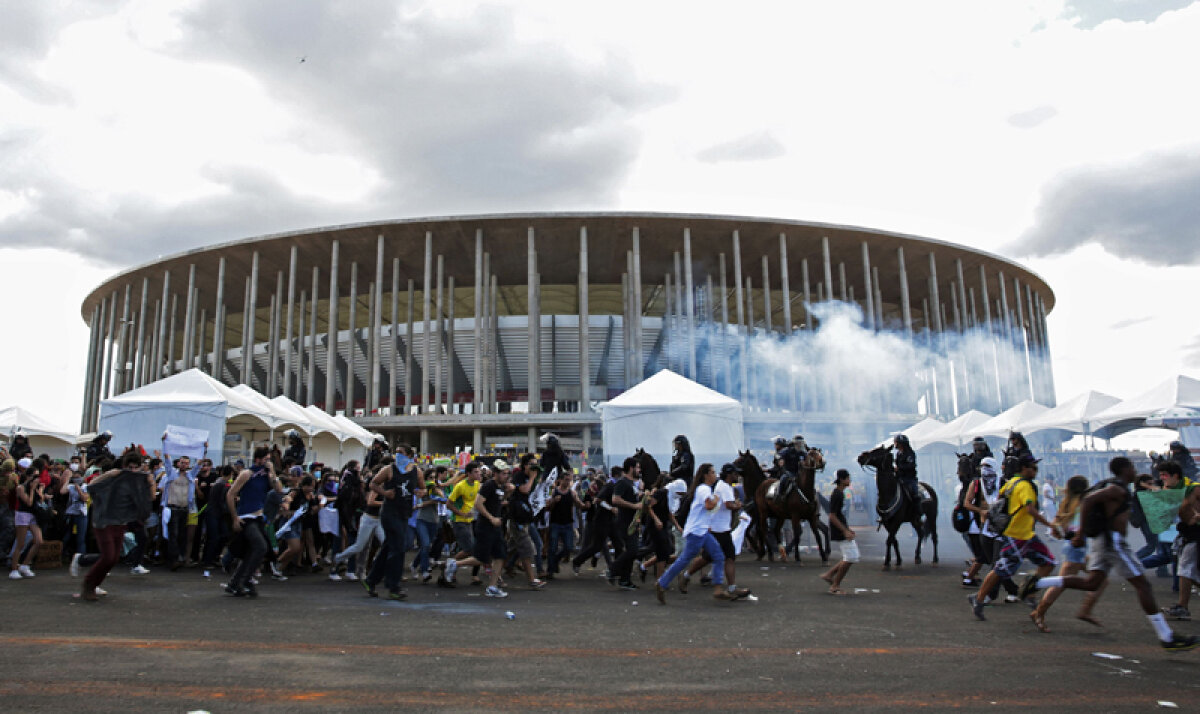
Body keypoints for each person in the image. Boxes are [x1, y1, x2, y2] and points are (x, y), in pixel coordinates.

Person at [1024, 457, 1198, 651]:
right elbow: (1089, 500)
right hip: (1112, 542)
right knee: (1143, 584)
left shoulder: (1118, 487)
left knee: (1093, 583)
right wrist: (1081, 534)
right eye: (1132, 467)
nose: (1134, 470)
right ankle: (1167, 636)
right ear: (1124, 470)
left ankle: (1038, 583)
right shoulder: (1116, 489)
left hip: (1103, 540)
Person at [969, 454, 1060, 621]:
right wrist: (1050, 525)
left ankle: (1029, 591)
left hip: (1027, 536)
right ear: (1024, 468)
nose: (1035, 471)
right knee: (1000, 570)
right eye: (1033, 468)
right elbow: (1030, 509)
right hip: (1016, 536)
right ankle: (979, 598)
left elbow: (999, 501)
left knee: (1049, 563)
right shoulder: (1025, 486)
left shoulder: (1010, 483)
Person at [1028, 476, 1105, 632]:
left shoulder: (1068, 502)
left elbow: (1057, 524)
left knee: (1101, 579)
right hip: (1076, 549)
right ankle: (1039, 612)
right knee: (1060, 585)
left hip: (1075, 549)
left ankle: (1085, 610)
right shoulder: (1082, 504)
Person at [80, 449, 156, 601]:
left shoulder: (139, 482)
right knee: (108, 556)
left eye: (136, 467)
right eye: (130, 467)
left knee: (114, 558)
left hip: (120, 522)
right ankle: (88, 584)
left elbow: (151, 498)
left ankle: (93, 584)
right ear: (125, 466)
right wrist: (108, 474)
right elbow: (90, 485)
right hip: (104, 520)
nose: (133, 470)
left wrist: (151, 482)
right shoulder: (116, 476)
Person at [654, 463, 735, 604]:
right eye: (712, 472)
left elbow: (706, 511)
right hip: (697, 531)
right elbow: (709, 505)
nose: (715, 475)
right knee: (684, 560)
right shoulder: (703, 489)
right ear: (706, 475)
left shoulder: (706, 489)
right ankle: (662, 583)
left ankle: (718, 589)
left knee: (718, 555)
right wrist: (717, 497)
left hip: (702, 530)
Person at [682, 462, 750, 599]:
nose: (737, 476)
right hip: (720, 529)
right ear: (729, 475)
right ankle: (730, 587)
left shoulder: (721, 485)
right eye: (735, 473)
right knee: (729, 557)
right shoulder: (725, 487)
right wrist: (738, 506)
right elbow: (728, 505)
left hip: (717, 527)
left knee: (708, 558)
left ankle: (687, 575)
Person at [444, 461, 511, 597]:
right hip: (485, 526)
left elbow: (498, 501)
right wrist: (491, 518)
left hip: (495, 526)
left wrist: (508, 494)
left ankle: (492, 587)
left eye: (507, 474)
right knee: (481, 558)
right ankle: (455, 564)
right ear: (495, 473)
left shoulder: (501, 486)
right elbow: (478, 504)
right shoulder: (488, 485)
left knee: (500, 556)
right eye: (503, 474)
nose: (506, 476)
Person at [225, 446, 284, 598]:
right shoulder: (247, 474)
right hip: (246, 517)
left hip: (258, 517)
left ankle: (237, 581)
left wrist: (272, 472)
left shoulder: (266, 476)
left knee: (254, 551)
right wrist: (235, 517)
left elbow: (279, 489)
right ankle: (244, 580)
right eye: (266, 459)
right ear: (258, 459)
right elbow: (231, 494)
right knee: (260, 546)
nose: (268, 462)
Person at [364, 450, 424, 600]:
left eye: (402, 453)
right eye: (397, 452)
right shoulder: (389, 469)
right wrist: (385, 494)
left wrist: (420, 492)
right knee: (399, 547)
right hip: (389, 513)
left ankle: (371, 580)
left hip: (404, 513)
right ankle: (393, 586)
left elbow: (423, 488)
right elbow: (373, 483)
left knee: (390, 547)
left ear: (410, 455)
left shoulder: (417, 472)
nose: (398, 455)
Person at [1165, 474, 1200, 620]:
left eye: (1165, 476)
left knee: (1186, 571)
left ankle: (1182, 607)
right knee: (1188, 572)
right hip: (1190, 537)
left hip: (1195, 537)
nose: (1163, 479)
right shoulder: (1181, 493)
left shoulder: (1194, 489)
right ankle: (1182, 607)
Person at [441, 461, 482, 587]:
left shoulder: (477, 484)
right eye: (476, 472)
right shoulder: (460, 486)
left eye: (479, 471)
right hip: (459, 521)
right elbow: (448, 504)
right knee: (469, 549)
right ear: (468, 473)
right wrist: (461, 513)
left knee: (470, 549)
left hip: (470, 521)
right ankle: (450, 565)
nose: (479, 474)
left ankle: (451, 567)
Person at [820, 469, 858, 595]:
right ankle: (835, 585)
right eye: (848, 478)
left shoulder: (840, 493)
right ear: (842, 480)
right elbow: (832, 515)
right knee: (851, 556)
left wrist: (847, 529)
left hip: (841, 528)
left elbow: (838, 515)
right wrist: (844, 531)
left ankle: (829, 575)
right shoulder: (837, 494)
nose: (849, 480)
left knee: (851, 556)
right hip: (839, 530)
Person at [8, 461, 45, 580]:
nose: (37, 478)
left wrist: (39, 491)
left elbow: (40, 500)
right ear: (28, 476)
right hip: (23, 514)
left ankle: (24, 565)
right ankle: (14, 568)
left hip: (33, 515)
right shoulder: (21, 487)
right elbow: (28, 502)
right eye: (35, 476)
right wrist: (32, 489)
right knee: (21, 542)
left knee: (39, 541)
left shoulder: (35, 487)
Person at [546, 471, 582, 579]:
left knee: (569, 547)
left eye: (569, 480)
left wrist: (585, 504)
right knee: (552, 547)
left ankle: (555, 561)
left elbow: (579, 504)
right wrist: (553, 501)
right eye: (566, 480)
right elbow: (547, 507)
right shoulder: (554, 491)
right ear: (560, 480)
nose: (567, 482)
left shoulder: (572, 493)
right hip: (555, 523)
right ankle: (550, 570)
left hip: (567, 524)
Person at [893, 434, 920, 504]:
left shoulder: (910, 453)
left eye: (897, 443)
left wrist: (899, 468)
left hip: (909, 478)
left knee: (915, 493)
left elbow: (911, 465)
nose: (895, 444)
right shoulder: (898, 454)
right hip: (899, 477)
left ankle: (918, 509)